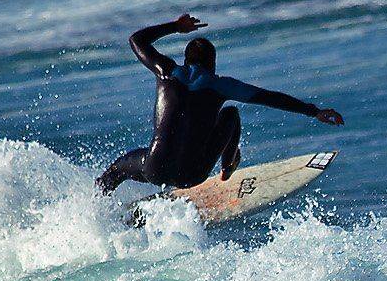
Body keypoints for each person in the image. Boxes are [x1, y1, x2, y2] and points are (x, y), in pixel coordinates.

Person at [97, 14, 344, 193]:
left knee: (117, 169)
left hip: (154, 167)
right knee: (231, 114)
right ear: (212, 63)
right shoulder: (221, 85)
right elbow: (270, 98)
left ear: (185, 60)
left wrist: (175, 26)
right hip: (193, 174)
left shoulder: (167, 72)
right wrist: (315, 111)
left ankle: (94, 205)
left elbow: (136, 40)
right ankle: (228, 166)